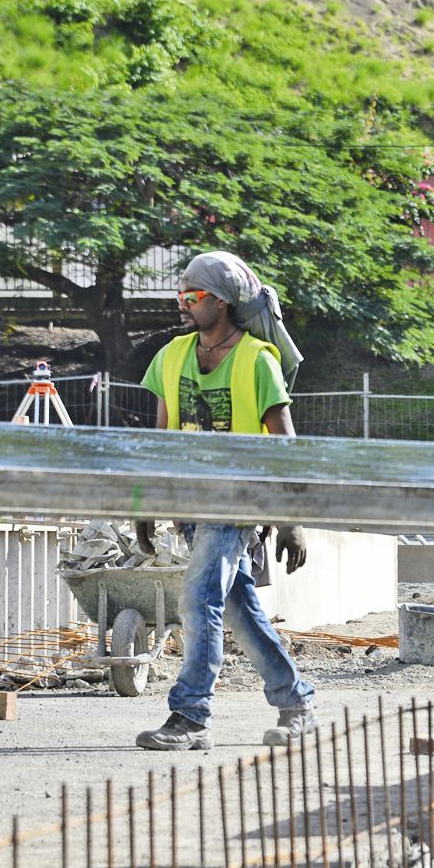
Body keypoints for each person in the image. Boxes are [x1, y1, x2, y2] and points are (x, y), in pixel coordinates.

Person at [133, 251, 317, 753]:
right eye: (180, 296)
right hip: (191, 507)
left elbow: (284, 446)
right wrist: (144, 505)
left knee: (198, 600)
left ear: (221, 302)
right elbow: (160, 441)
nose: (183, 305)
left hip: (235, 509)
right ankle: (296, 701)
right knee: (238, 611)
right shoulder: (171, 356)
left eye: (192, 297)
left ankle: (190, 716)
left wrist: (290, 521)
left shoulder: (257, 361)